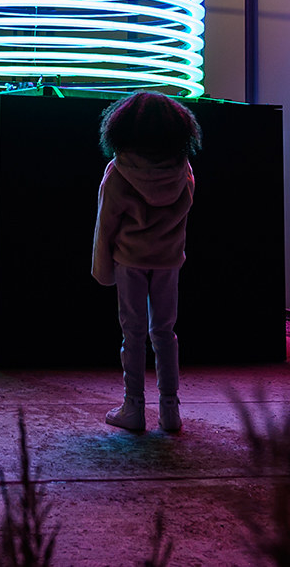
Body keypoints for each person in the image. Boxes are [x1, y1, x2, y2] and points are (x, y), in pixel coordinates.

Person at [90, 90, 201, 434]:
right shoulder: (183, 171)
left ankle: (133, 407)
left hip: (130, 260)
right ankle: (171, 410)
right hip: (168, 260)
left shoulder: (119, 172)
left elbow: (105, 224)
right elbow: (184, 211)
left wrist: (102, 268)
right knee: (165, 332)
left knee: (133, 333)